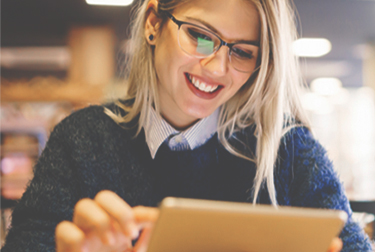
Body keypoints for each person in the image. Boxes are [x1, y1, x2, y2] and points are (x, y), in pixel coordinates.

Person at [2, 0, 373, 251]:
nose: (215, 69)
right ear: (153, 24)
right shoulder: (81, 140)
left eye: (242, 51)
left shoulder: (286, 149)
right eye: (199, 35)